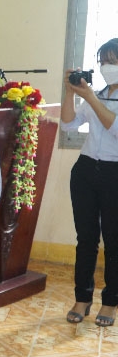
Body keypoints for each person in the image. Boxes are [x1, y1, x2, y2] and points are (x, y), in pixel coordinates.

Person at [61, 38, 118, 327]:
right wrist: (71, 92)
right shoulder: (97, 93)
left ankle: (110, 302)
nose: (108, 67)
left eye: (113, 61)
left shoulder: (98, 96)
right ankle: (82, 298)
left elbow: (115, 126)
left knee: (114, 240)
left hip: (114, 173)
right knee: (85, 239)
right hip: (85, 170)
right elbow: (68, 123)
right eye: (104, 61)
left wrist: (91, 97)